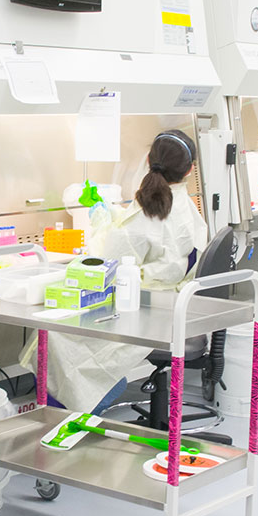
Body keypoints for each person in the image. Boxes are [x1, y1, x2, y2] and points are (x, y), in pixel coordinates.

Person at [25, 130, 204, 415]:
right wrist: (115, 221)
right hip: (170, 305)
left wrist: (101, 228)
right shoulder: (186, 205)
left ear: (148, 160)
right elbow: (162, 248)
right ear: (190, 169)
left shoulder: (144, 212)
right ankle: (89, 397)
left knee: (53, 335)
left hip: (145, 311)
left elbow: (107, 268)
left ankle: (70, 413)